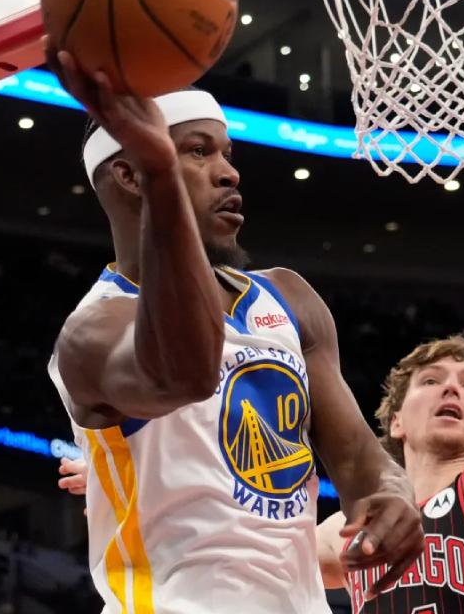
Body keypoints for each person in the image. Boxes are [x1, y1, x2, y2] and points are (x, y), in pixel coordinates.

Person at [62, 0, 464, 614]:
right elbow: (193, 407)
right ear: (394, 418)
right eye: (431, 380)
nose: (452, 387)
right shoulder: (346, 545)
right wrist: (138, 479)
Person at [44, 45, 423, 614]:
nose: (229, 171)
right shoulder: (94, 331)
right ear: (130, 174)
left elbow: (359, 462)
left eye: (226, 152)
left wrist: (392, 498)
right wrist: (163, 177)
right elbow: (185, 373)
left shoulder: (289, 298)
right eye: (197, 152)